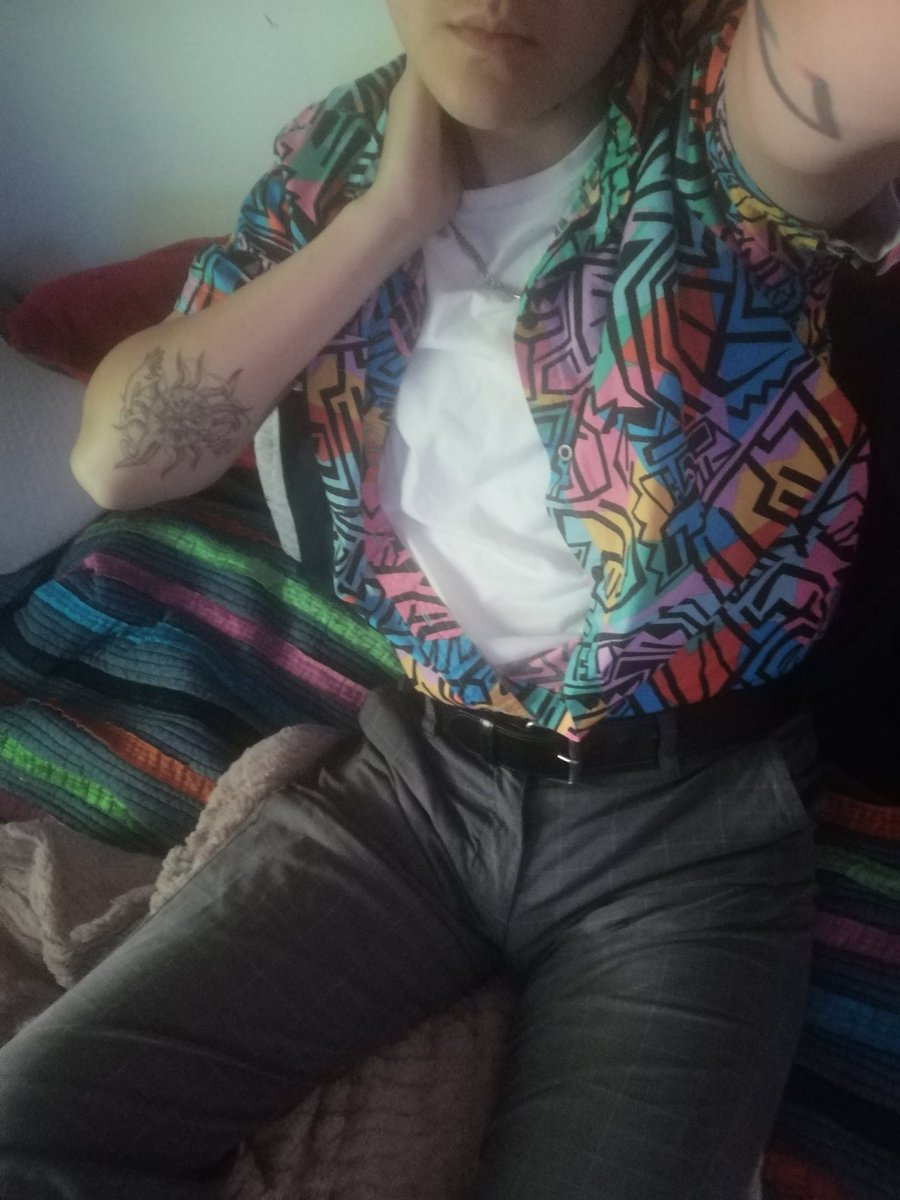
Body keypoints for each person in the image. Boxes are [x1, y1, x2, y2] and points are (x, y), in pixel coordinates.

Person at [2, 0, 899, 1196]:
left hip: (690, 828)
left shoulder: (719, 129)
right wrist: (385, 220)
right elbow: (119, 462)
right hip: (418, 785)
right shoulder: (333, 165)